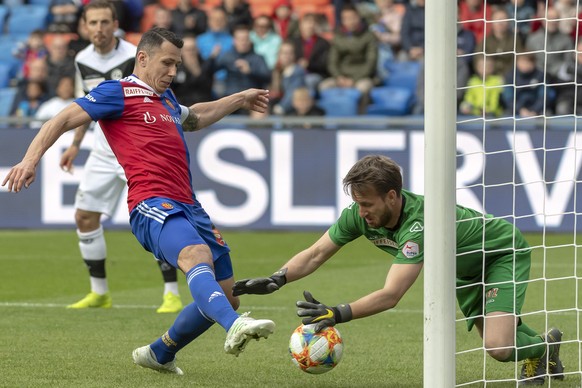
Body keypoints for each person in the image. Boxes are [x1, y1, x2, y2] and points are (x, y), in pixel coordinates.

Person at [2, 26, 275, 375]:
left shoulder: (167, 100)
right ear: (142, 58)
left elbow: (197, 117)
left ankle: (160, 353)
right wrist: (29, 159)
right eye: (167, 63)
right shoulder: (118, 92)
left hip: (190, 206)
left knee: (224, 294)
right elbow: (63, 118)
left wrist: (239, 98)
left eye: (176, 64)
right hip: (151, 202)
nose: (173, 72)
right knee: (196, 256)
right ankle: (234, 326)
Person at [232, 154, 565, 385]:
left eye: (367, 204)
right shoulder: (359, 214)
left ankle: (542, 349)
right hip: (462, 268)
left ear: (392, 196)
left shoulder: (419, 225)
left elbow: (392, 294)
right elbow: (317, 253)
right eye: (357, 203)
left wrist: (336, 312)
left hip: (499, 254)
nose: (360, 212)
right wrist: (280, 277)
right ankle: (543, 343)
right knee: (497, 342)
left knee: (498, 347)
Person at [58, 0, 183, 313]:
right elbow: (84, 105)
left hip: (137, 149)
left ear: (115, 24)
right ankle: (99, 292)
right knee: (84, 216)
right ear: (84, 27)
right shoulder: (82, 58)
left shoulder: (135, 55)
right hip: (102, 150)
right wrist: (75, 143)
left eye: (104, 22)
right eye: (93, 23)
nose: (99, 29)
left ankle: (171, 293)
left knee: (159, 216)